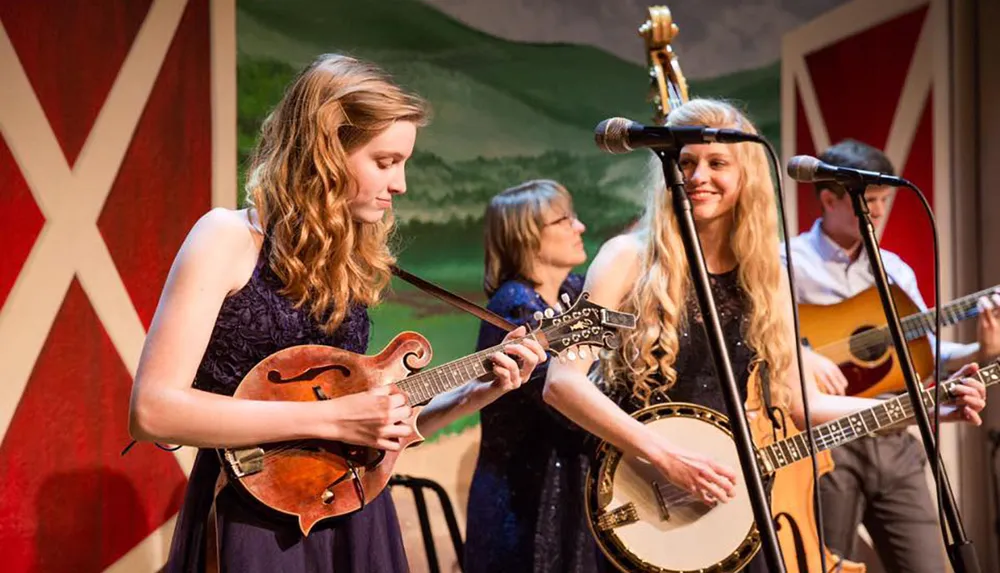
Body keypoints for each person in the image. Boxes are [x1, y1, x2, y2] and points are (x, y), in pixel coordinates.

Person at [127, 54, 546, 573]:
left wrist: (477, 393)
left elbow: (374, 431)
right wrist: (335, 418)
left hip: (352, 515)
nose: (401, 185)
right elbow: (152, 411)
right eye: (386, 161)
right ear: (326, 150)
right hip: (252, 523)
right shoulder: (226, 238)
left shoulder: (347, 261)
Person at [542, 99, 987, 573]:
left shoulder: (767, 277)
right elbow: (561, 383)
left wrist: (925, 409)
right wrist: (665, 456)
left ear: (747, 175)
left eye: (716, 163)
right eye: (685, 162)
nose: (697, 176)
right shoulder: (624, 258)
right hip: (647, 502)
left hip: (735, 506)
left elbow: (800, 403)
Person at [784, 139, 1000, 572]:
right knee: (825, 566)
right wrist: (803, 354)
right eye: (870, 201)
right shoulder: (786, 261)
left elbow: (923, 354)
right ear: (828, 199)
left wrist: (983, 349)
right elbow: (760, 341)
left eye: (884, 201)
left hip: (895, 433)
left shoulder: (894, 269)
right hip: (826, 443)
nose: (878, 212)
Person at [464, 180, 606, 573]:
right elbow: (565, 404)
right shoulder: (514, 307)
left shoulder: (573, 292)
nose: (580, 227)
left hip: (566, 488)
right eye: (565, 220)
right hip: (527, 500)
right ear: (527, 237)